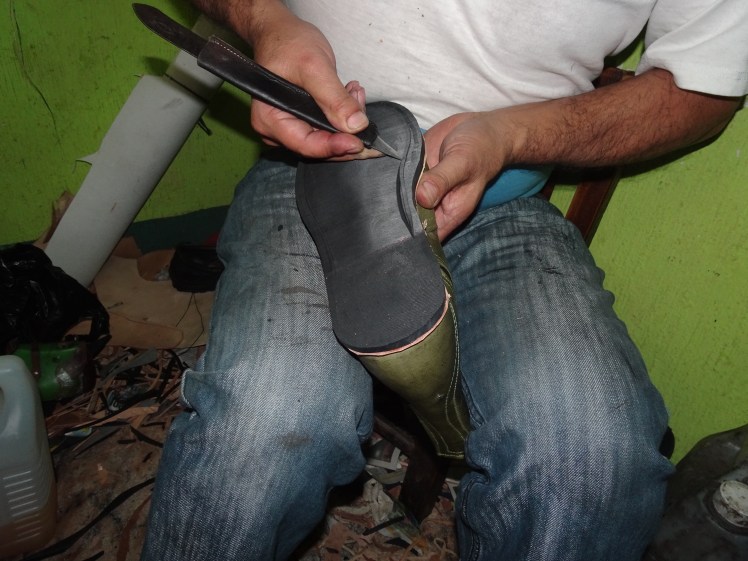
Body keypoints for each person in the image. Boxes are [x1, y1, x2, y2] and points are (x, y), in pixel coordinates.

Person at [141, 1, 747, 560]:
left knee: (590, 460)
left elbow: (698, 92)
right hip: (320, 176)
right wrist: (268, 23)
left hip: (504, 203)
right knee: (267, 417)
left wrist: (511, 135)